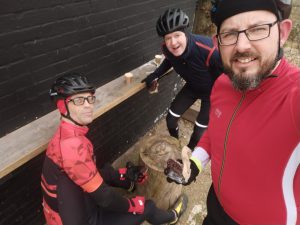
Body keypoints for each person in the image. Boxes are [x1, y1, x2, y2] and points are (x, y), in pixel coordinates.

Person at [167, 0, 300, 224]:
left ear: (282, 32)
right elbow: (214, 132)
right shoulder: (222, 84)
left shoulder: (293, 96)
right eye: (229, 34)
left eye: (257, 29)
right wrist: (195, 164)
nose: (241, 46)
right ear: (218, 43)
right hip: (216, 208)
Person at [41, 73, 188, 225]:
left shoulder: (65, 136)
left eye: (90, 99)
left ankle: (129, 184)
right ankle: (173, 217)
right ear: (61, 105)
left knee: (110, 172)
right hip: (86, 218)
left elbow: (85, 174)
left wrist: (121, 175)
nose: (88, 105)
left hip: (73, 207)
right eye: (79, 100)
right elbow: (105, 198)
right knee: (148, 207)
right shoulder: (72, 148)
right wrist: (133, 205)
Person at [142, 8, 223, 150]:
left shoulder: (208, 50)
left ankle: (188, 152)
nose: (173, 42)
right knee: (171, 120)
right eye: (168, 38)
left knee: (199, 133)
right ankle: (176, 145)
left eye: (177, 35)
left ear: (185, 32)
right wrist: (155, 75)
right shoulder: (168, 49)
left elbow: (225, 77)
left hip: (211, 94)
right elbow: (169, 60)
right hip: (191, 86)